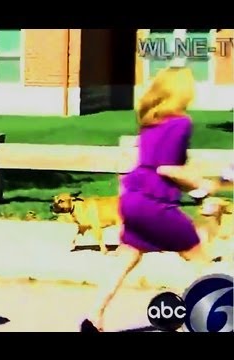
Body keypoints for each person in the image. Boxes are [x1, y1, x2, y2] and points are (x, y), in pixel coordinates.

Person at [79, 67, 220, 333]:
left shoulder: (150, 121)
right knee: (200, 257)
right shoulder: (180, 123)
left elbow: (152, 163)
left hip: (132, 198)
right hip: (155, 204)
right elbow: (167, 168)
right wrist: (201, 183)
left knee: (127, 258)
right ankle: (213, 318)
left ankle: (94, 317)